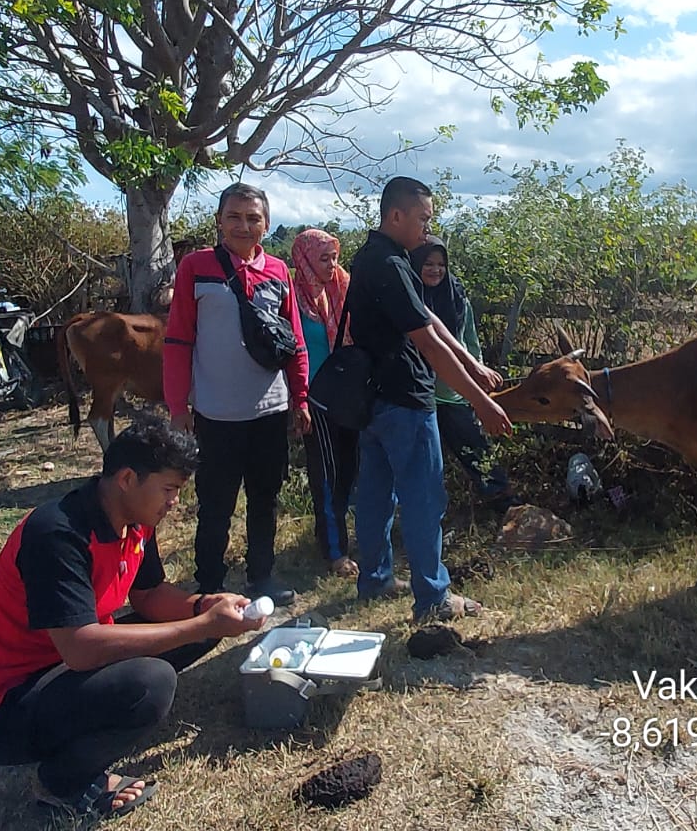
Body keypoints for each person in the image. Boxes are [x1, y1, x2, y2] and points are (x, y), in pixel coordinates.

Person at [0, 419, 266, 820]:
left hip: (58, 667)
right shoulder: (57, 534)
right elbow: (81, 650)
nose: (174, 503)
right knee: (152, 682)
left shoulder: (135, 521)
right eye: (168, 490)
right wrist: (203, 623)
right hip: (4, 707)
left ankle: (96, 724)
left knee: (199, 627)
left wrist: (204, 607)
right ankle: (62, 782)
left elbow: (150, 596)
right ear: (128, 478)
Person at [346, 176, 513, 622]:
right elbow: (428, 343)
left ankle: (377, 578)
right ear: (395, 215)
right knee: (423, 499)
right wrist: (479, 400)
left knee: (378, 496)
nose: (427, 227)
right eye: (422, 218)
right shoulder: (390, 264)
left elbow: (434, 324)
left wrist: (473, 364)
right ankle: (433, 599)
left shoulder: (376, 258)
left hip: (372, 401)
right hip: (404, 400)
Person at [163, 182, 310, 605]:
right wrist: (178, 405)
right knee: (215, 504)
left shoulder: (279, 271)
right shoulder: (196, 266)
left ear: (266, 223)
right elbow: (178, 340)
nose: (244, 226)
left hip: (269, 411)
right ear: (220, 222)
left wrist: (300, 398)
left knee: (265, 499)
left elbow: (294, 339)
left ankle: (261, 578)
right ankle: (209, 587)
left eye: (253, 218)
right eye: (235, 217)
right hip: (215, 413)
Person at [410, 235, 516, 512]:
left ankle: (502, 502)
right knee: (424, 459)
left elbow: (468, 339)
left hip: (455, 392)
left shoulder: (456, 296)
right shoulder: (408, 297)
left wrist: (476, 375)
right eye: (428, 263)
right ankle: (426, 510)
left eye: (441, 264)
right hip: (420, 393)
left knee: (475, 448)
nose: (435, 270)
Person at [291, 227, 359, 579]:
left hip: (350, 394)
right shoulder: (293, 295)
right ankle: (335, 551)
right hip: (315, 398)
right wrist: (297, 398)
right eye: (323, 257)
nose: (332, 264)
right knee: (327, 474)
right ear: (304, 258)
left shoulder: (345, 287)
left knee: (353, 469)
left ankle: (333, 536)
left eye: (334, 256)